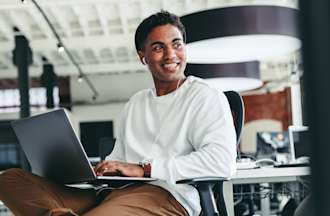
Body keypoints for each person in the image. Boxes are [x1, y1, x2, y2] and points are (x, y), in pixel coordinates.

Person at [0, 11, 236, 216]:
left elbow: (222, 162)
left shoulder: (205, 96)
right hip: (111, 192)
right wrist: (103, 169)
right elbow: (120, 157)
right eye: (158, 47)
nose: (170, 54)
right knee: (10, 180)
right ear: (142, 56)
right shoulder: (136, 103)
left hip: (167, 195)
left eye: (177, 44)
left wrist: (146, 169)